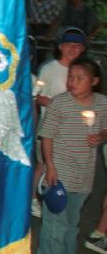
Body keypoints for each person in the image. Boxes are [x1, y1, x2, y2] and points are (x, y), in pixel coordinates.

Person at [37, 57, 107, 254]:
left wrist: (101, 137)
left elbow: (104, 129)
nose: (72, 82)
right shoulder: (60, 103)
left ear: (94, 81)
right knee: (55, 224)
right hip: (60, 173)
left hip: (84, 173)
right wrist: (50, 166)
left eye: (79, 78)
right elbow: (46, 136)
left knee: (71, 224)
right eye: (70, 77)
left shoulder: (102, 104)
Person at [32, 28, 87, 217]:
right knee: (43, 165)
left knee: (63, 168)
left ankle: (56, 201)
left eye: (77, 45)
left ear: (83, 49)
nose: (73, 49)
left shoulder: (84, 70)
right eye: (69, 45)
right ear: (61, 47)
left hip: (73, 132)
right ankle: (33, 200)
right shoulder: (49, 69)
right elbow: (36, 97)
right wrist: (54, 103)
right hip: (49, 129)